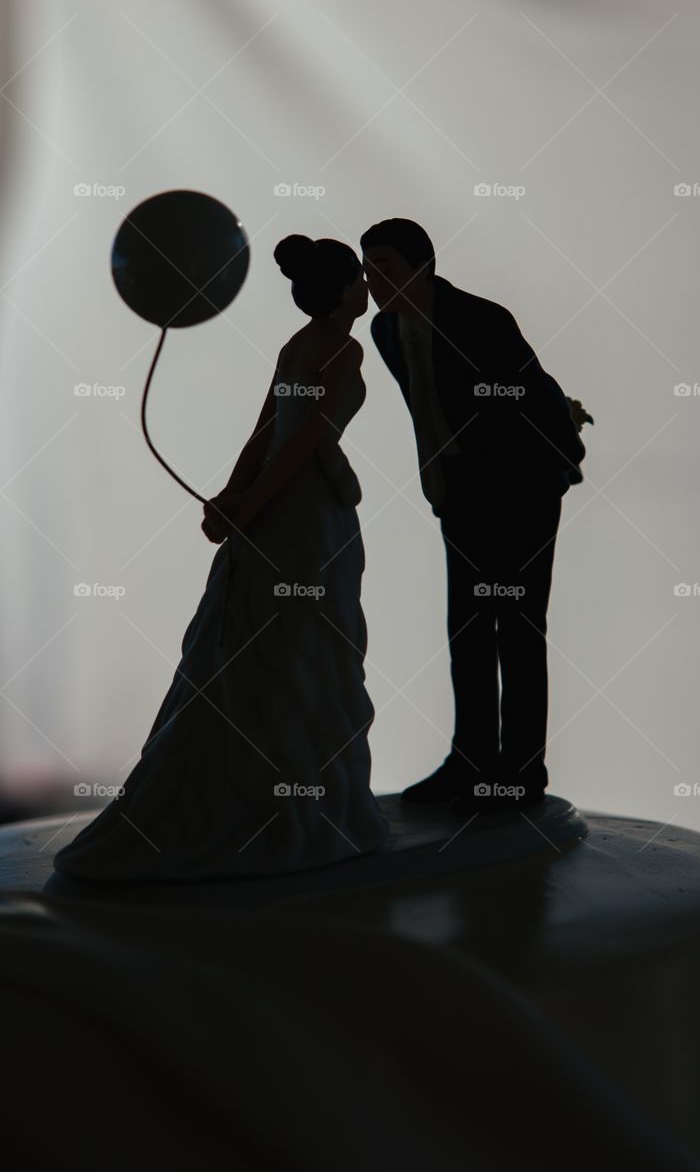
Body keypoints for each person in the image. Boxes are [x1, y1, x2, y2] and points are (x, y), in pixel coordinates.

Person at [53, 235, 389, 883]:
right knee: (303, 644)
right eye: (359, 280)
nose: (366, 289)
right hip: (307, 516)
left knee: (268, 641)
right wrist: (243, 503)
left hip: (281, 509)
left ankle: (248, 789)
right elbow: (301, 439)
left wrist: (235, 500)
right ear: (342, 291)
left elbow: (265, 431)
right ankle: (295, 801)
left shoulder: (296, 345)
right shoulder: (343, 349)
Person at [361, 218, 587, 817]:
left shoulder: (481, 319)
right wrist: (439, 483)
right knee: (466, 627)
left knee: (518, 627)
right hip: (460, 494)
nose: (374, 282)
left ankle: (521, 772)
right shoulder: (385, 330)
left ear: (422, 267)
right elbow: (426, 409)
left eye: (385, 267)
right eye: (368, 270)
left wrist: (561, 457)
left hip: (522, 489)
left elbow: (532, 395)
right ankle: (471, 760)